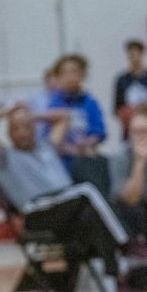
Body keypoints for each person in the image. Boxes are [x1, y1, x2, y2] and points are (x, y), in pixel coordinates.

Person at [0, 103, 147, 281]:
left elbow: (64, 117)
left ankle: (115, 272)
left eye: (27, 126)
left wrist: (31, 114)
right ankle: (128, 247)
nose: (22, 132)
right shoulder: (3, 156)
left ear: (35, 128)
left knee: (94, 213)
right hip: (37, 212)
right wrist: (9, 111)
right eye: (16, 128)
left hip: (65, 209)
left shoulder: (47, 146)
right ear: (9, 133)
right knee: (87, 191)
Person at [47, 54, 109, 192]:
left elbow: (100, 132)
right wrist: (72, 150)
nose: (70, 77)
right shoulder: (53, 104)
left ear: (82, 74)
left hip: (87, 160)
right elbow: (50, 139)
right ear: (58, 77)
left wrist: (87, 143)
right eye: (65, 72)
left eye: (74, 71)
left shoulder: (90, 102)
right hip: (63, 165)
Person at [109, 102, 147, 245]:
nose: (139, 137)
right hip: (128, 210)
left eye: (144, 131)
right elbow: (130, 198)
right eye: (134, 131)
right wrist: (139, 162)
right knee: (134, 211)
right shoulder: (120, 154)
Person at [114, 39, 147, 138]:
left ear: (142, 54)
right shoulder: (122, 80)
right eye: (130, 54)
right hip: (130, 130)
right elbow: (117, 108)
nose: (132, 57)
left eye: (135, 53)